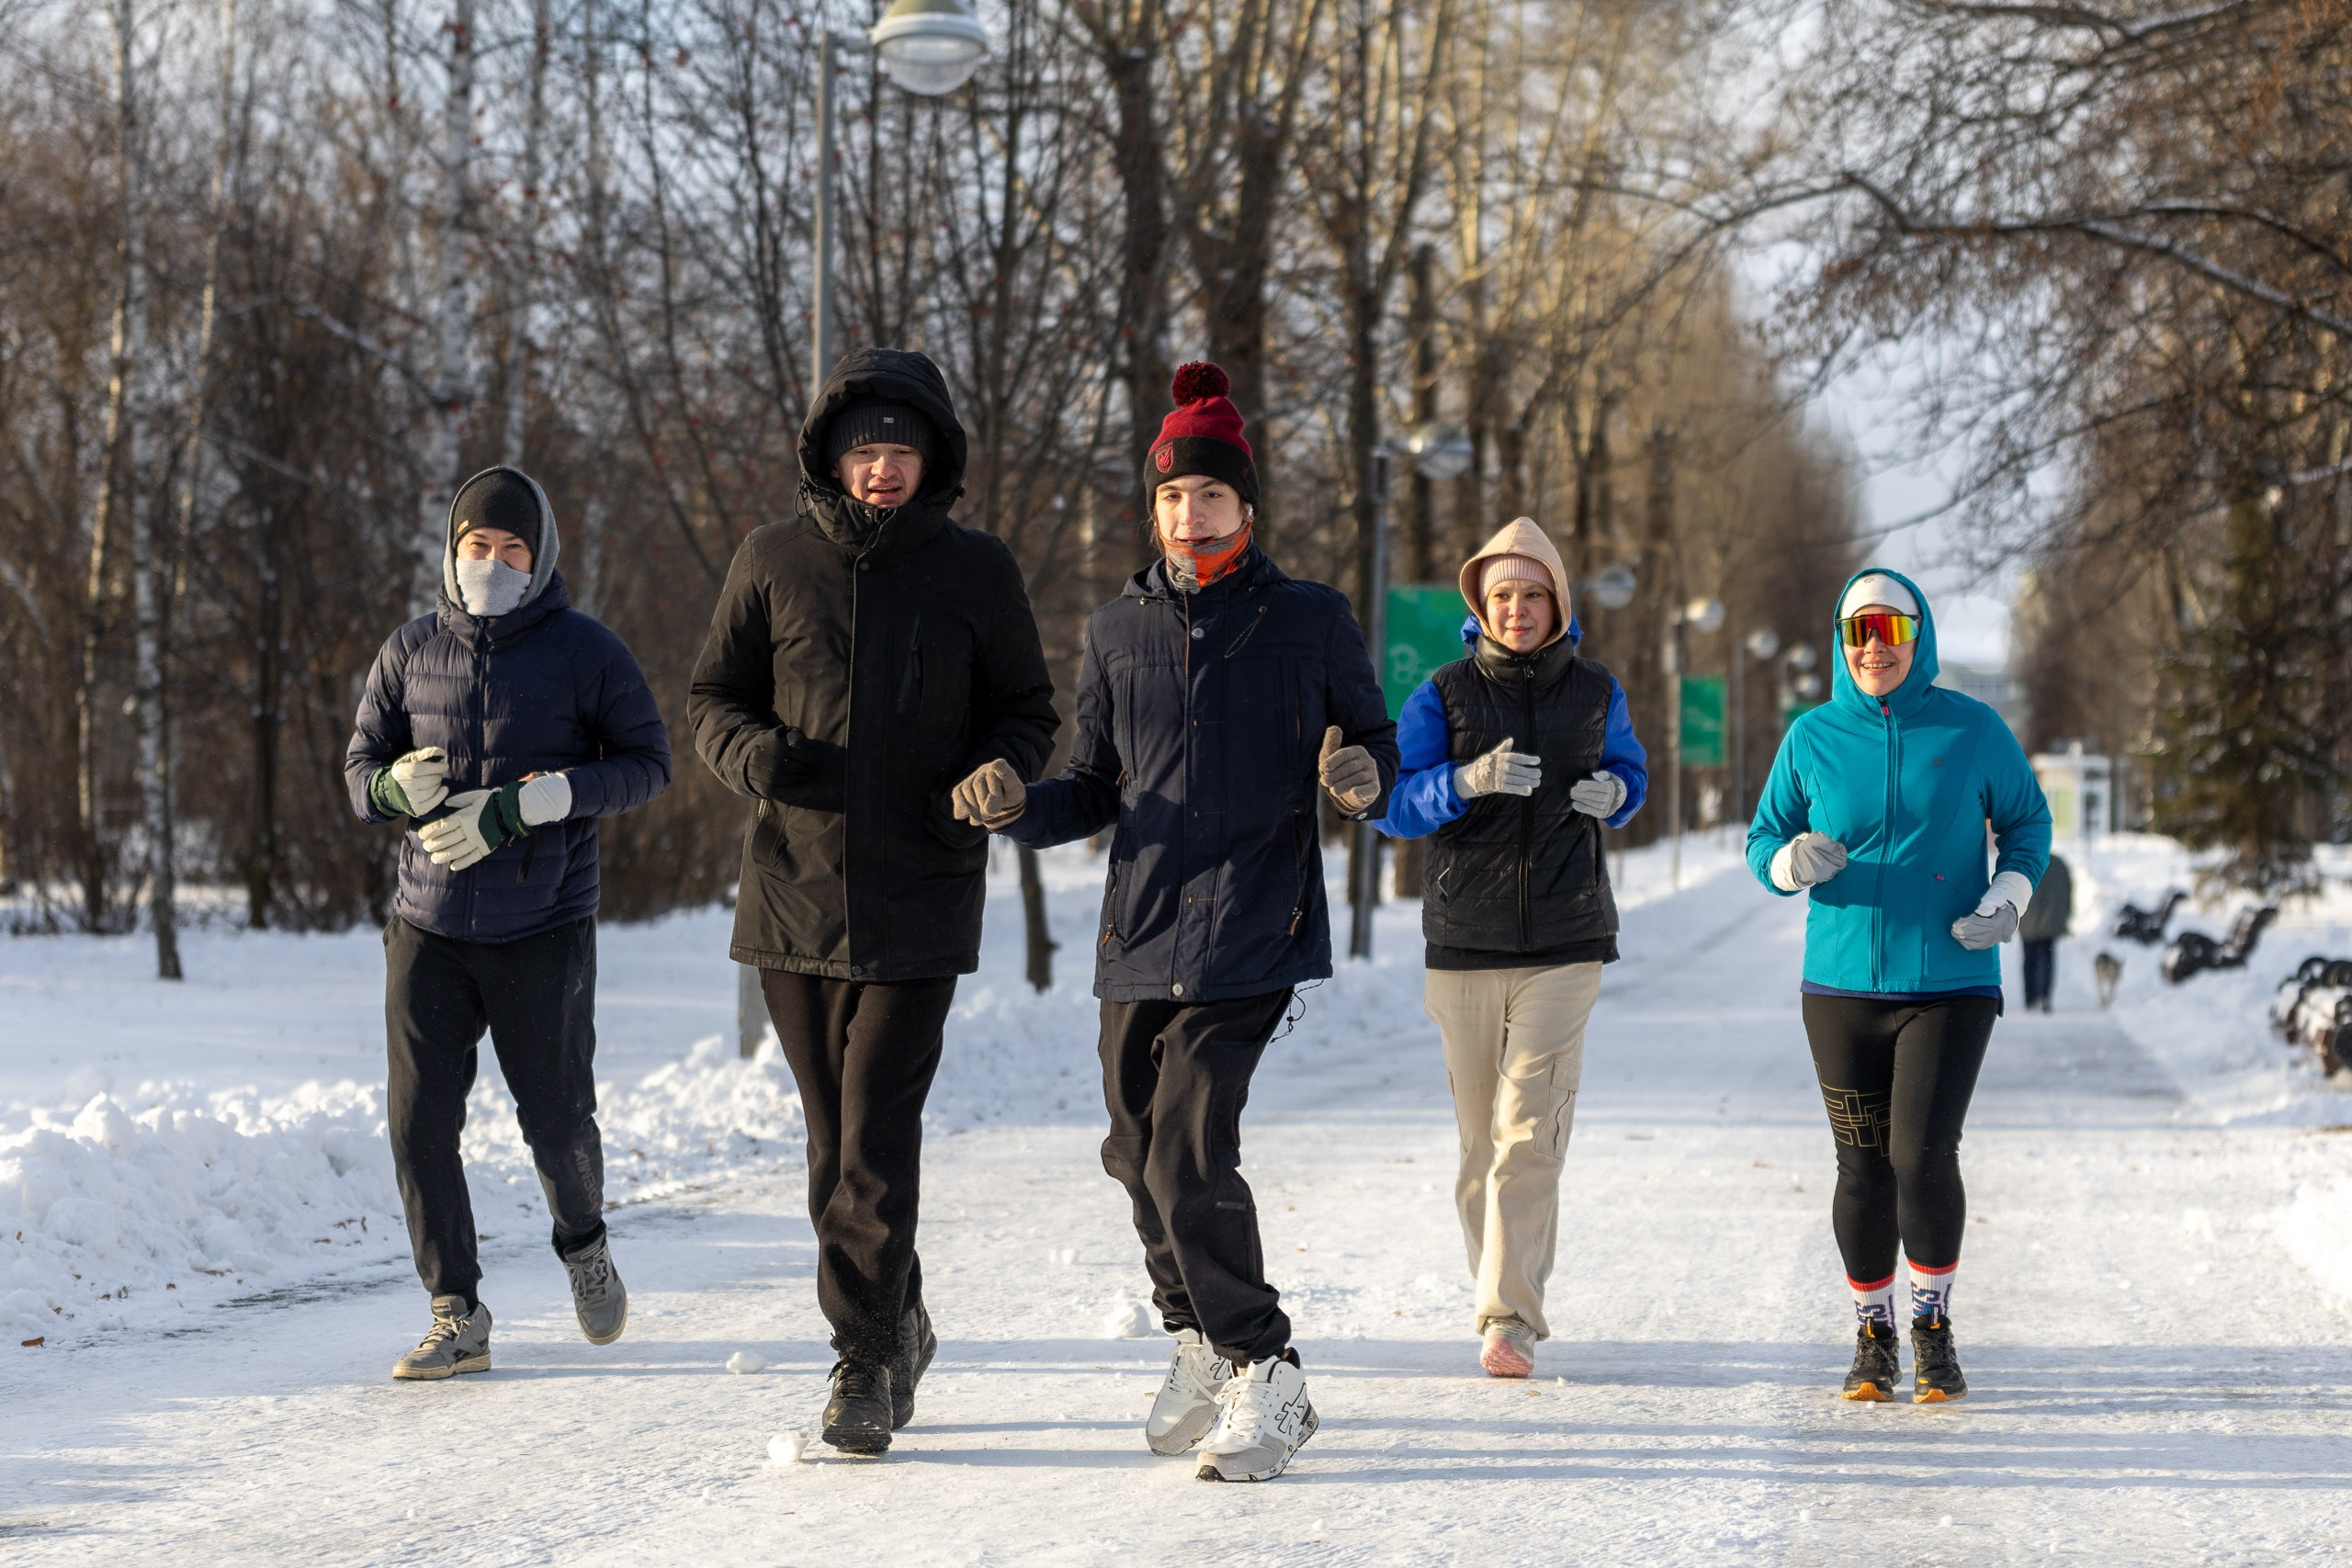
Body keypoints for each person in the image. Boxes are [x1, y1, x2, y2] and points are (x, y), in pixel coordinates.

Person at [959, 362, 1397, 1482]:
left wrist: (1357, 776)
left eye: (1207, 496)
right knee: (1130, 1150)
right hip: (1138, 925)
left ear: (1246, 509)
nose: (1187, 515)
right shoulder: (1117, 629)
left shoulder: (1308, 620)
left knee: (1189, 1154)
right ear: (1150, 510)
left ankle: (1269, 1368)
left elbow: (1375, 750)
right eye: (1169, 498)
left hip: (1255, 917)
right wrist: (1018, 805)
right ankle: (1196, 1340)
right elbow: (1093, 784)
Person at [687, 347, 1057, 1456]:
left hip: (921, 891)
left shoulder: (976, 571)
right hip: (793, 890)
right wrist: (748, 752)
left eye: (900, 449)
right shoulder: (770, 560)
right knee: (828, 1144)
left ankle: (858, 1365)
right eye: (863, 450)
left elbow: (1028, 710)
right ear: (831, 460)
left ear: (931, 457)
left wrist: (1003, 770)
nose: (882, 468)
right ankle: (896, 1313)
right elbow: (711, 695)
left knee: (875, 1141)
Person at [345, 465, 673, 1381]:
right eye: (476, 547)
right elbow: (359, 768)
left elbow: (648, 764)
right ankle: (457, 1308)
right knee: (418, 1124)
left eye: (511, 549)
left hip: (543, 926)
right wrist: (384, 786)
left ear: (542, 560)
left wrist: (541, 802)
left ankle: (582, 1239)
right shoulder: (408, 651)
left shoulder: (586, 652)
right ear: (451, 555)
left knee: (558, 1120)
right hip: (429, 923)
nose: (491, 562)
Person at [1746, 569, 2050, 1404]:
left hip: (1950, 979)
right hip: (1840, 986)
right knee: (1861, 1170)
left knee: (1920, 1154)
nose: (1873, 645)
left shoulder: (1974, 727)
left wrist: (2008, 896)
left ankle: (1933, 1327)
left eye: (1890, 628)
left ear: (1919, 636)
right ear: (1841, 643)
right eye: (1857, 630)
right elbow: (1763, 835)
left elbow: (2029, 822)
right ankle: (1873, 1334)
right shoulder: (1811, 736)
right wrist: (1785, 860)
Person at [1372, 518, 1647, 1379]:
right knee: (1479, 1143)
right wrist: (1466, 779)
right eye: (1503, 595)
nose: (1519, 609)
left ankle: (1509, 1315)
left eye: (1534, 594)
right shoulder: (1444, 694)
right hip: (1464, 939)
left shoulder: (1597, 691)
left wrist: (1617, 792)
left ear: (1560, 601)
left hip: (1567, 939)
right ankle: (1498, 1283)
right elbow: (1392, 804)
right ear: (1480, 605)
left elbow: (1632, 772)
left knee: (1529, 1131)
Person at [2020, 852, 2073, 1011]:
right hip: (2051, 921)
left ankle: (2030, 997)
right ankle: (2044, 996)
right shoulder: (2058, 863)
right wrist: (2064, 915)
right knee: (2047, 959)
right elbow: (2067, 890)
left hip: (2028, 919)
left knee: (2029, 960)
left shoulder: (2026, 863)